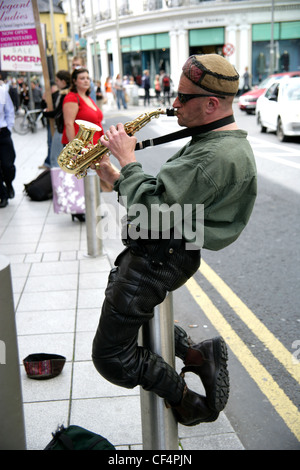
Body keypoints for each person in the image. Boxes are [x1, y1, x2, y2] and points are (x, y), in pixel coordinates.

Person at [91, 54, 257, 426]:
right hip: (162, 250)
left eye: (183, 97)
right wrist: (118, 178)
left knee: (112, 358)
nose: (173, 103)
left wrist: (127, 162)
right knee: (140, 326)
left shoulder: (213, 157)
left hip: (160, 256)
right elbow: (170, 198)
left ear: (212, 103)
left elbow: (155, 209)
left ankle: (187, 402)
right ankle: (198, 354)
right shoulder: (215, 142)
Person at [62, 67, 104, 222]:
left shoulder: (87, 97)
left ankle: (92, 208)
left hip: (94, 147)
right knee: (81, 180)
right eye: (82, 78)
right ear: (74, 81)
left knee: (93, 179)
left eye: (88, 77)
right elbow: (68, 123)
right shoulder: (72, 98)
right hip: (81, 148)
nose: (86, 80)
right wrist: (75, 150)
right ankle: (81, 210)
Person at [43, 70, 71, 168]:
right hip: (62, 129)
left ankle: (57, 181)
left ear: (63, 82)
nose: (56, 83)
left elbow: (58, 112)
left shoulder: (65, 94)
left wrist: (45, 114)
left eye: (57, 80)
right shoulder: (63, 93)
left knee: (55, 159)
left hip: (61, 129)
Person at [0, 75, 16, 208]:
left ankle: (9, 183)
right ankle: (2, 195)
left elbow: (9, 111)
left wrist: (8, 128)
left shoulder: (2, 92)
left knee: (7, 165)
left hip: (2, 132)